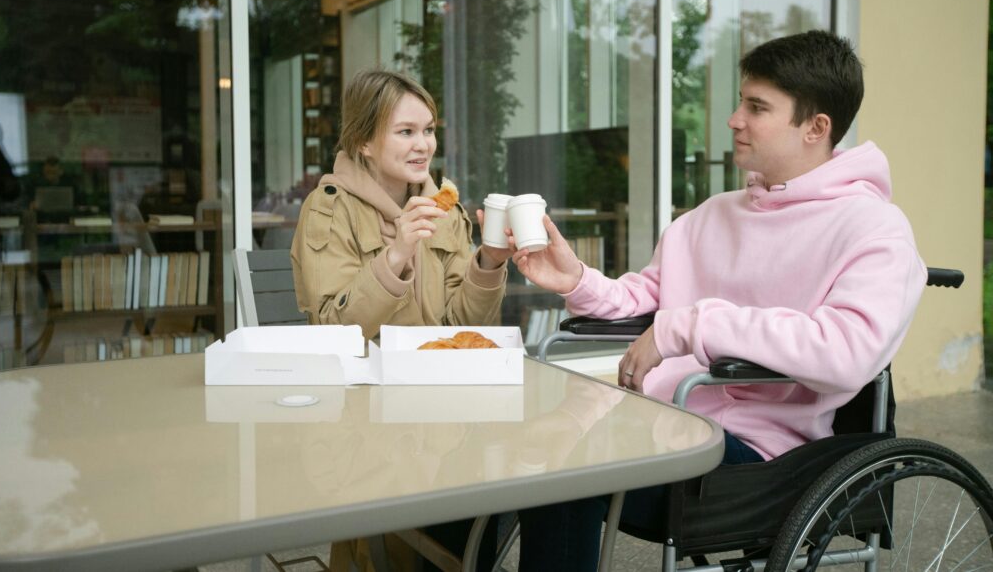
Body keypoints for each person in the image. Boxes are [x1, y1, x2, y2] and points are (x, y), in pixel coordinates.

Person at [510, 30, 928, 571]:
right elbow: (647, 298)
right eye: (740, 101)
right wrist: (576, 280)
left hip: (759, 457)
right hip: (664, 419)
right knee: (540, 438)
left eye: (756, 107)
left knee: (571, 464)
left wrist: (690, 328)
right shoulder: (711, 215)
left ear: (815, 128)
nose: (734, 118)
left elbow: (847, 351)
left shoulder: (875, 229)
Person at [290, 69, 513, 571]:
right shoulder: (327, 210)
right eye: (406, 132)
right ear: (365, 140)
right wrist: (394, 256)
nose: (423, 146)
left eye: (429, 130)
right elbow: (332, 330)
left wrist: (489, 263)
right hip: (365, 416)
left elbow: (459, 324)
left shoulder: (443, 209)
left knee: (512, 486)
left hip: (441, 407)